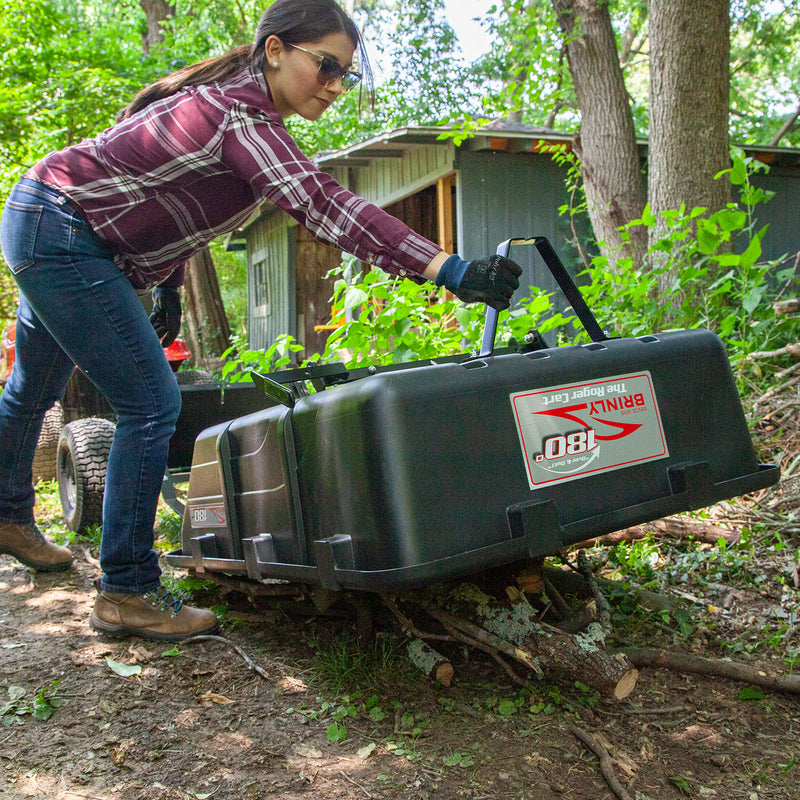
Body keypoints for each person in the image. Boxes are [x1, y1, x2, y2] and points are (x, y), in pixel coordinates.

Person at [0, 0, 522, 642]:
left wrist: (163, 280)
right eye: (326, 66)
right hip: (63, 232)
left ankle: (8, 515)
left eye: (345, 75)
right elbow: (324, 205)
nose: (334, 85)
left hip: (45, 217)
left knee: (33, 388)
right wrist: (447, 267)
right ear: (275, 50)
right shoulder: (240, 117)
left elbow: (166, 201)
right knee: (150, 402)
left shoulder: (233, 112)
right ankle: (127, 589)